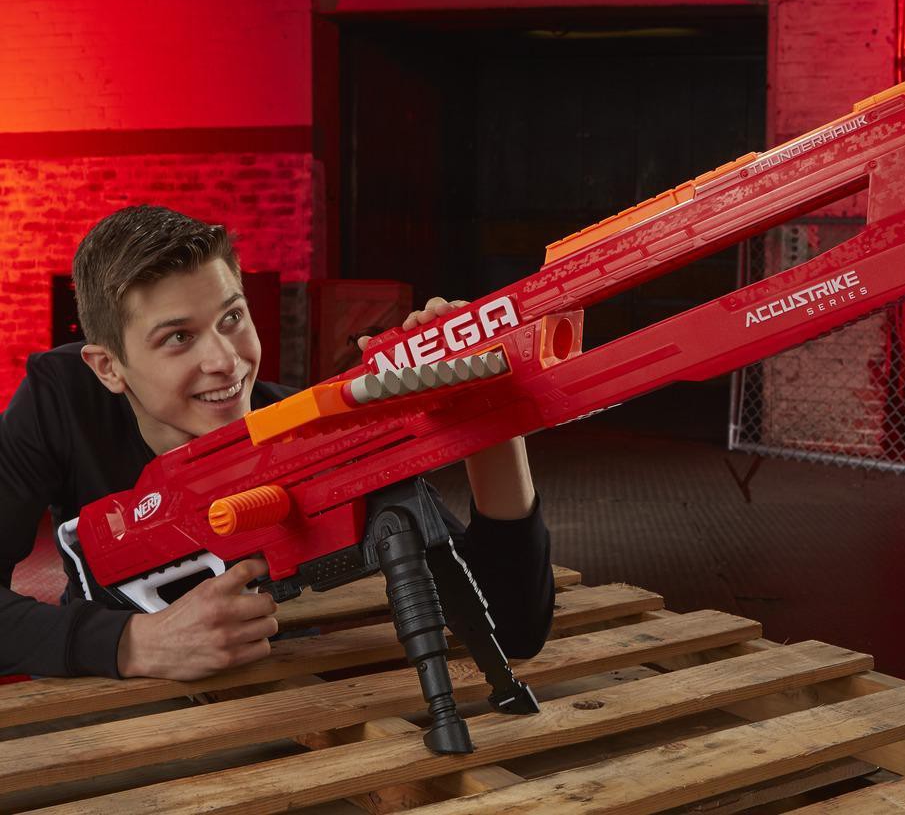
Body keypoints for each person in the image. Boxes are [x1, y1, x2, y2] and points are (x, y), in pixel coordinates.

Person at [0, 206, 554, 680]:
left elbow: (513, 629)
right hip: (111, 699)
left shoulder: (308, 430)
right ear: (108, 367)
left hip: (280, 689)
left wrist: (490, 415)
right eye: (178, 337)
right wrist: (132, 643)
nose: (225, 361)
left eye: (232, 317)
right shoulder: (60, 400)